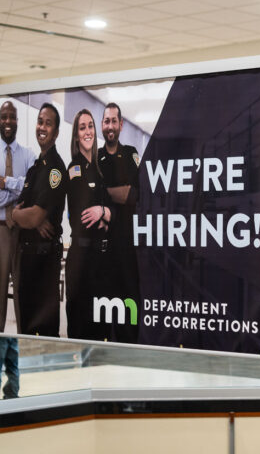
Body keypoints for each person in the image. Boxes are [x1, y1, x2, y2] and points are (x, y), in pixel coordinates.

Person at [11, 103, 68, 337]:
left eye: (48, 124)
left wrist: (18, 215)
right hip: (28, 255)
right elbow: (26, 210)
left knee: (43, 329)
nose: (42, 127)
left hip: (44, 258)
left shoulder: (55, 169)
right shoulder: (35, 168)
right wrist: (27, 215)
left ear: (56, 132)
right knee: (26, 326)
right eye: (40, 121)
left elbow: (32, 215)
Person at [0, 100, 36, 332]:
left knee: (25, 295)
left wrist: (7, 183)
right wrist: (17, 196)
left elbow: (33, 188)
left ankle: (27, 342)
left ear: (17, 121)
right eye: (4, 117)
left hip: (23, 233)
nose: (8, 121)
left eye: (12, 117)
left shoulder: (28, 155)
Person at [66, 109, 113, 341]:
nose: (87, 131)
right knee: (80, 323)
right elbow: (82, 216)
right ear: (76, 136)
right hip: (81, 256)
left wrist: (103, 212)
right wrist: (105, 215)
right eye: (82, 127)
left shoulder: (101, 168)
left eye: (90, 126)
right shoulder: (74, 169)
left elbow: (112, 211)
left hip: (101, 259)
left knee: (100, 324)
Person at [98, 102, 140, 343]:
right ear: (102, 125)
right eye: (107, 121)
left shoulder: (131, 154)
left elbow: (132, 195)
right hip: (102, 248)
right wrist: (118, 192)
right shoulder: (95, 158)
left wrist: (103, 192)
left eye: (114, 121)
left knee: (129, 302)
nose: (110, 126)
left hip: (127, 246)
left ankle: (129, 346)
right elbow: (89, 197)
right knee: (104, 304)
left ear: (121, 124)